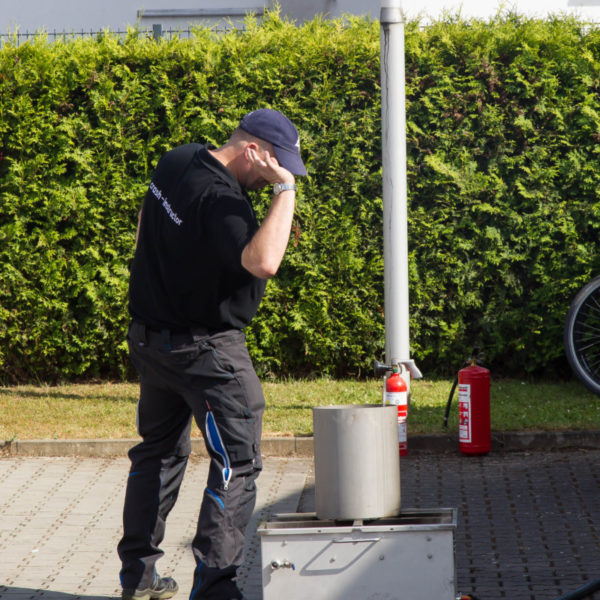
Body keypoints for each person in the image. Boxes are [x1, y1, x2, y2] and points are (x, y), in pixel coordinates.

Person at [117, 108, 307, 600]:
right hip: (208, 352)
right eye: (275, 165)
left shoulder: (176, 161)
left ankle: (137, 578)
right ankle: (215, 589)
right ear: (253, 151)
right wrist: (286, 190)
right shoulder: (227, 202)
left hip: (151, 340)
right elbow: (264, 262)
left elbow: (145, 222)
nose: (274, 177)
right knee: (237, 462)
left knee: (156, 454)